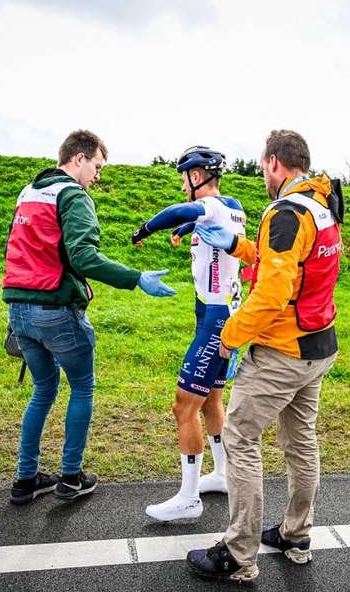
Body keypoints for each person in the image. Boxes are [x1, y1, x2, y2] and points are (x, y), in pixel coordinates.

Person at [185, 130, 343, 581]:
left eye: (262, 167)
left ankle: (239, 554)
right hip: (319, 344)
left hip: (281, 349)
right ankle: (296, 534)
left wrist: (232, 335)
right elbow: (292, 264)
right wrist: (237, 246)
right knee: (300, 440)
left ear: (275, 163)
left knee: (239, 436)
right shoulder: (322, 204)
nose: (262, 176)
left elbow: (272, 292)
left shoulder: (286, 212)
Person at [2, 129, 176, 506]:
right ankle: (70, 477)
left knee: (43, 390)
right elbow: (83, 257)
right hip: (56, 310)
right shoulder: (73, 196)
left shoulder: (28, 192)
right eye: (97, 166)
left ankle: (25, 479)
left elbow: (16, 251)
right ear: (78, 159)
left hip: (18, 309)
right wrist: (136, 278)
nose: (98, 175)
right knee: (82, 386)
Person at [129, 146, 247, 521]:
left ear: (198, 176)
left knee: (184, 405)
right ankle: (223, 475)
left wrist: (146, 229)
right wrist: (185, 230)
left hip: (215, 318)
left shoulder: (210, 205)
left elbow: (181, 211)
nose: (182, 183)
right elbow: (199, 222)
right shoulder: (232, 206)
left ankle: (189, 498)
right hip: (217, 311)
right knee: (212, 401)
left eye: (184, 176)